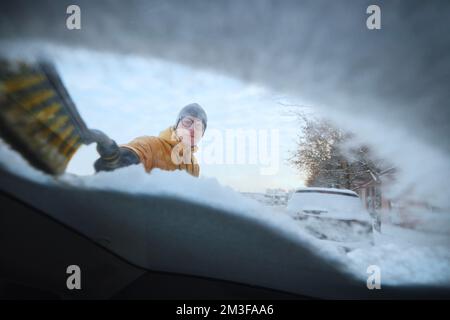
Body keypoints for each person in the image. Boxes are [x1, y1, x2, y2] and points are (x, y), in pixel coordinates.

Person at [93, 103, 207, 177]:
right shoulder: (152, 145)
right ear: (177, 125)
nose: (192, 129)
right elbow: (139, 149)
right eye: (188, 122)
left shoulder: (194, 165)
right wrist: (120, 159)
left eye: (199, 126)